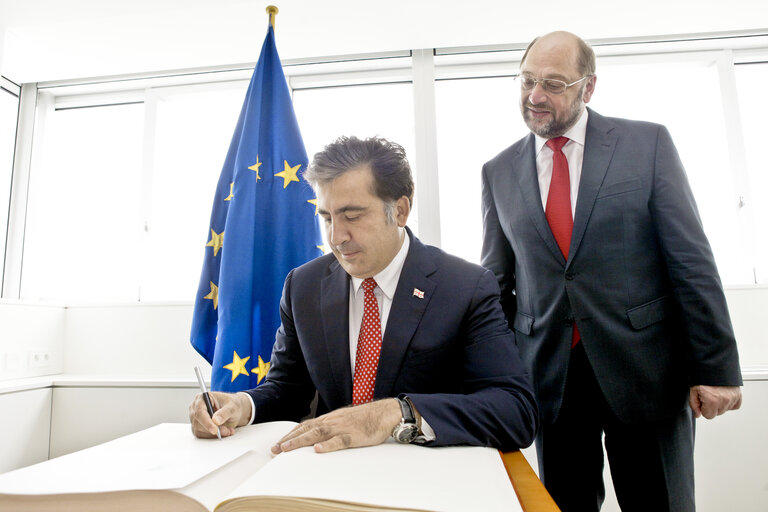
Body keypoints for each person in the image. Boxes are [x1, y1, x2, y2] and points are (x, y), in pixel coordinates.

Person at [481, 31, 742, 512]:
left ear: (589, 87)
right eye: (527, 80)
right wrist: (494, 378)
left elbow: (691, 262)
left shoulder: (647, 144)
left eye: (554, 83)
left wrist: (717, 368)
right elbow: (499, 285)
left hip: (646, 373)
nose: (535, 95)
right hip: (550, 382)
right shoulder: (496, 171)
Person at [190, 135, 538, 454]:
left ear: (400, 210)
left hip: (425, 478)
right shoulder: (303, 286)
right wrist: (241, 406)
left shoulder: (465, 287)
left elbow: (515, 411)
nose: (337, 236)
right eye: (326, 218)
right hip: (328, 473)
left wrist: (399, 412)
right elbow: (287, 390)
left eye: (352, 216)